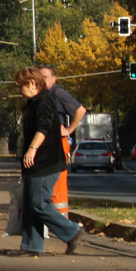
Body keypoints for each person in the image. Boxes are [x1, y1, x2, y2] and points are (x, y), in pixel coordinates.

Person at [14, 66, 84, 256]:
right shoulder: (33, 103)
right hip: (35, 165)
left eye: (22, 85)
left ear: (33, 83)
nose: (20, 90)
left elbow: (43, 128)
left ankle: (72, 232)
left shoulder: (44, 101)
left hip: (45, 163)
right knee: (30, 206)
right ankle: (31, 246)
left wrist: (32, 149)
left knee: (39, 204)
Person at [39, 65, 86, 218]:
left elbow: (80, 110)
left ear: (54, 79)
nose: (42, 80)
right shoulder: (43, 95)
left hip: (58, 143)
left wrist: (69, 130)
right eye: (39, 77)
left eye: (45, 77)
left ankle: (62, 222)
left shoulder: (58, 93)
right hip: (47, 144)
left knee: (58, 184)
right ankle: (51, 220)